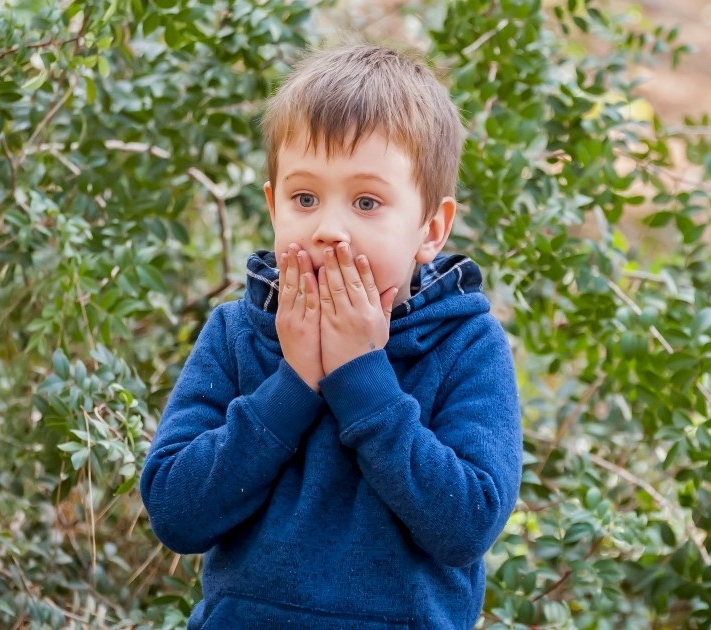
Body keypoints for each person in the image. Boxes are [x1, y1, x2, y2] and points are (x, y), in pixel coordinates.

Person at [139, 39, 523, 629]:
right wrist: (293, 383)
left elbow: (468, 522)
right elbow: (175, 511)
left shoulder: (465, 346)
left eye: (367, 201)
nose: (329, 229)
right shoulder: (239, 333)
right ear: (273, 208)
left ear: (431, 228)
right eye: (305, 197)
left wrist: (361, 377)